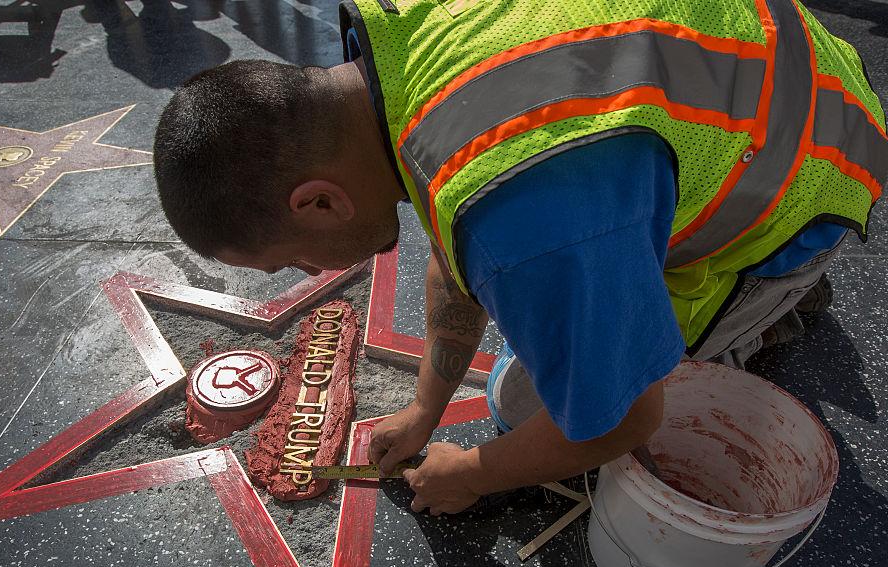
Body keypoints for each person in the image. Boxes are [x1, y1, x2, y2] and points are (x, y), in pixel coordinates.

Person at [152, 0, 887, 516]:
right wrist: (426, 409)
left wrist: (474, 472)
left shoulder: (529, 219)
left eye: (292, 263)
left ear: (318, 202)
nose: (315, 277)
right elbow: (452, 236)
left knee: (547, 404)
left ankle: (780, 293)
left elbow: (623, 419)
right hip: (743, 59)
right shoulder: (395, 59)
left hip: (813, 153)